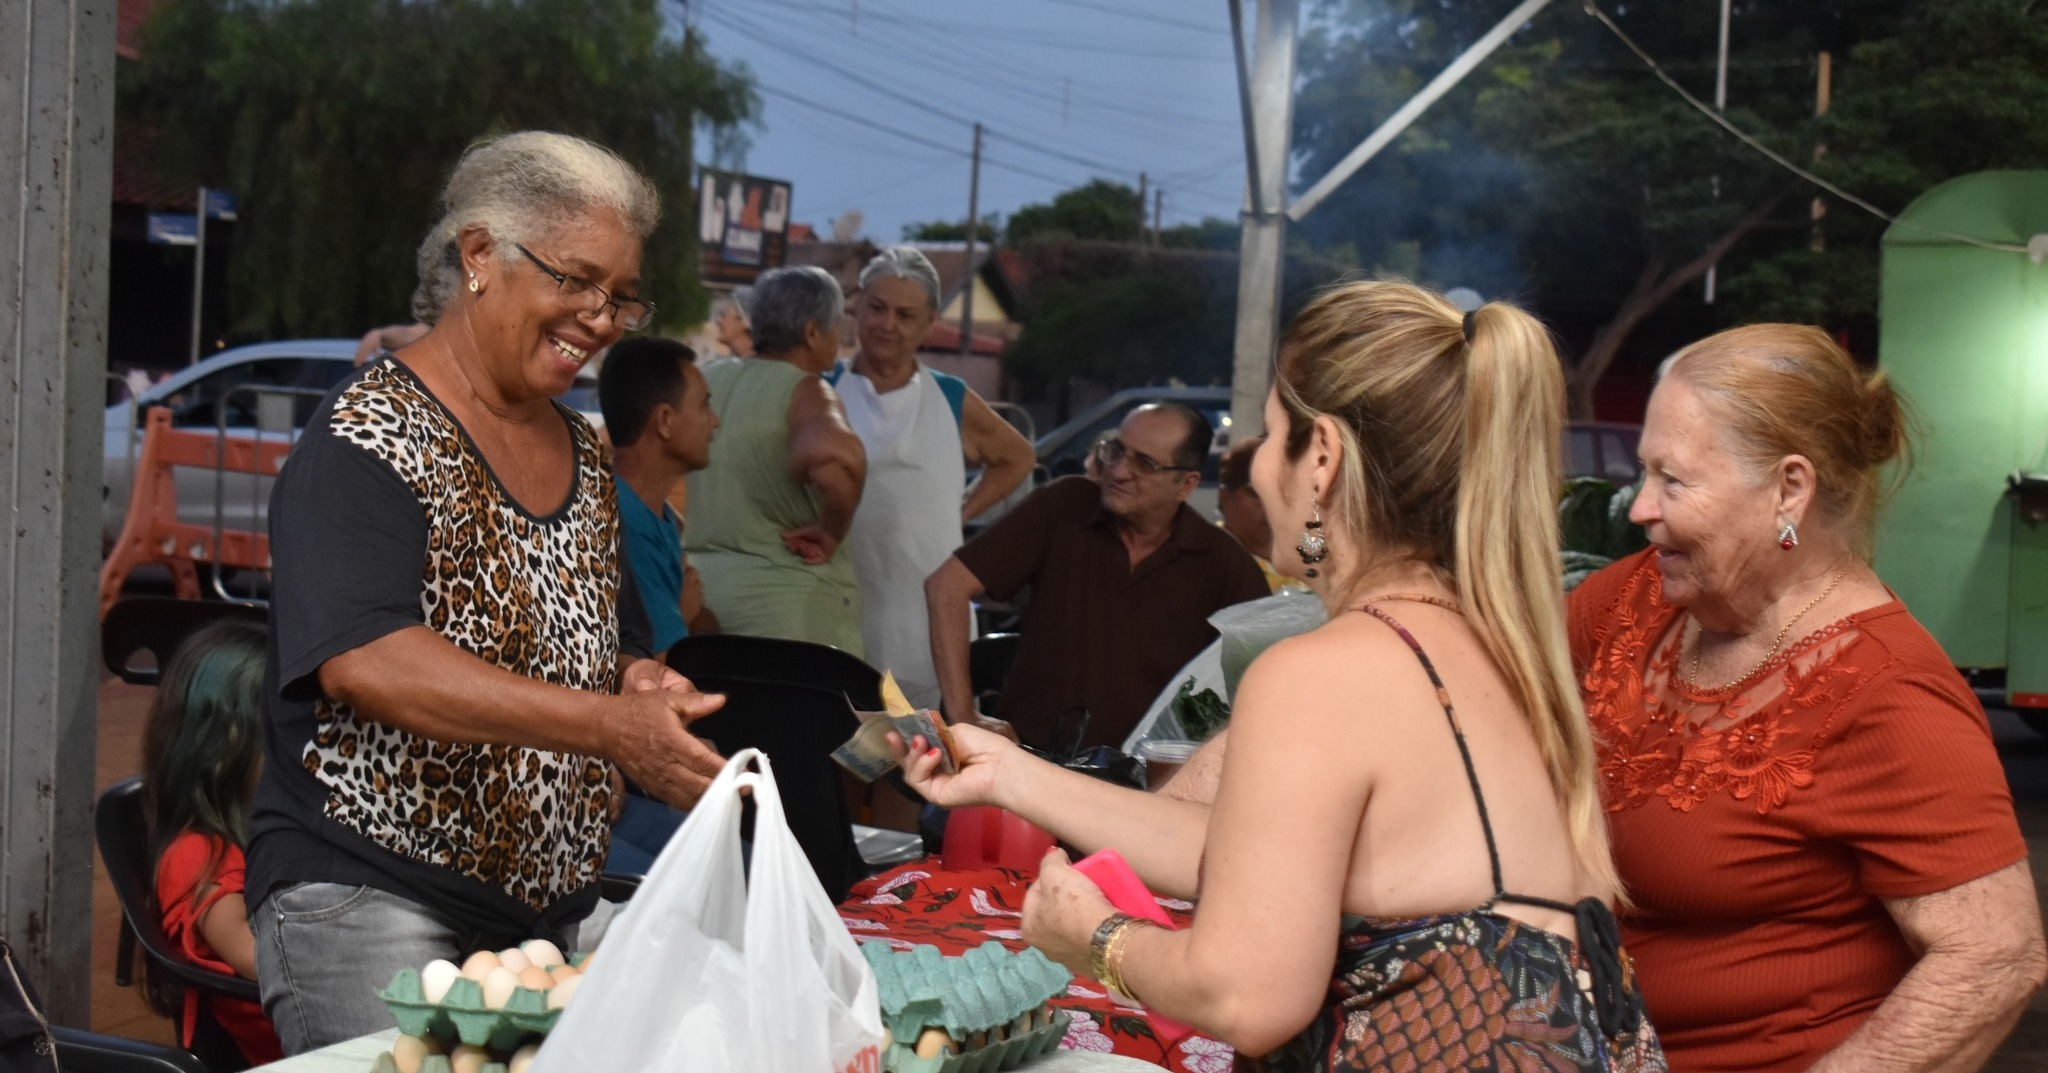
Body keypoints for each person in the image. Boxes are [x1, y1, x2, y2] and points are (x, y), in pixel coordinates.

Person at [897, 281, 1664, 1070]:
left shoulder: (1323, 671)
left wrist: (1093, 937)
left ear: (1322, 456)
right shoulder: (1494, 652)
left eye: (1268, 435)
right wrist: (1012, 775)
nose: (1259, 470)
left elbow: (1248, 994)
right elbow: (1259, 854)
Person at [244, 131, 728, 1052]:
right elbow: (368, 659)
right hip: (370, 893)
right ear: (479, 257)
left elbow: (604, 645)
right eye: (576, 280)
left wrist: (639, 686)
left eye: (621, 296)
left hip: (549, 910)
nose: (600, 317)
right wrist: (601, 727)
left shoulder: (588, 451)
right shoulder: (367, 431)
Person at [1570, 323, 2046, 1072]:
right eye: (1644, 473)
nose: (1640, 508)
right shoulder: (1638, 600)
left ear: (1789, 489)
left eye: (1674, 479)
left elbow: (1996, 959)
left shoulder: (1891, 694)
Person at [926, 403, 1269, 749]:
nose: (1118, 471)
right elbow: (946, 587)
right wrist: (964, 716)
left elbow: (1266, 683)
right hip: (1026, 762)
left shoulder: (1222, 563)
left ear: (1186, 485)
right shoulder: (1065, 505)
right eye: (1116, 451)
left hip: (1143, 786)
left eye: (1144, 463)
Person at [827, 247, 1034, 707]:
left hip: (923, 603)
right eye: (877, 308)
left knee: (921, 749)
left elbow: (1017, 457)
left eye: (905, 314)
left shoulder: (948, 396)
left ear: (927, 324)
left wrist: (958, 511)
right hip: (842, 593)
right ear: (857, 305)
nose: (887, 324)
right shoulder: (822, 390)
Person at [685, 265, 868, 653]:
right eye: (836, 326)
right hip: (791, 626)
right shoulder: (807, 391)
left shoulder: (706, 380)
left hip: (699, 608)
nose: (839, 337)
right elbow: (838, 459)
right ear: (812, 332)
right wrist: (832, 530)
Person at [143, 619, 282, 1066]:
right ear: (225, 748)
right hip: (280, 1049)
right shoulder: (196, 853)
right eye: (279, 736)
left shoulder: (249, 826)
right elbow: (253, 956)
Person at [599, 335, 720, 652]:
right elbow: (658, 665)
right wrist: (683, 616)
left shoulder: (656, 516)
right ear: (665, 421)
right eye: (704, 405)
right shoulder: (622, 524)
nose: (715, 421)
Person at [1216, 435, 1303, 594]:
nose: (1272, 505)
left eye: (1284, 494)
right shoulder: (1210, 561)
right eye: (1257, 494)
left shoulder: (1308, 561)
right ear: (1226, 497)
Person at [710, 286, 754, 359]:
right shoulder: (724, 364)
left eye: (723, 315)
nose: (718, 321)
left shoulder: (765, 365)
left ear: (746, 322)